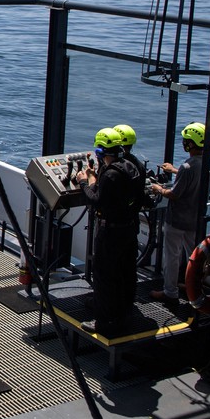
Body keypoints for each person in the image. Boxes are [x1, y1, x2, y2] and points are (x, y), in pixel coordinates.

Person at [74, 127, 145, 334]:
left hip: (111, 232)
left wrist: (84, 182)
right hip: (128, 229)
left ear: (101, 151)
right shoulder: (132, 167)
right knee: (125, 272)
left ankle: (104, 322)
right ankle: (123, 312)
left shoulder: (111, 174)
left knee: (104, 276)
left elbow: (97, 200)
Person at [150, 122, 208, 305]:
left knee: (172, 257)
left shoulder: (187, 167)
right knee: (195, 257)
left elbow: (174, 194)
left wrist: (158, 189)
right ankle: (193, 288)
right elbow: (191, 176)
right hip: (194, 220)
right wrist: (175, 170)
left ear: (190, 143)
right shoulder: (206, 163)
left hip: (177, 221)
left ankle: (170, 292)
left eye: (185, 140)